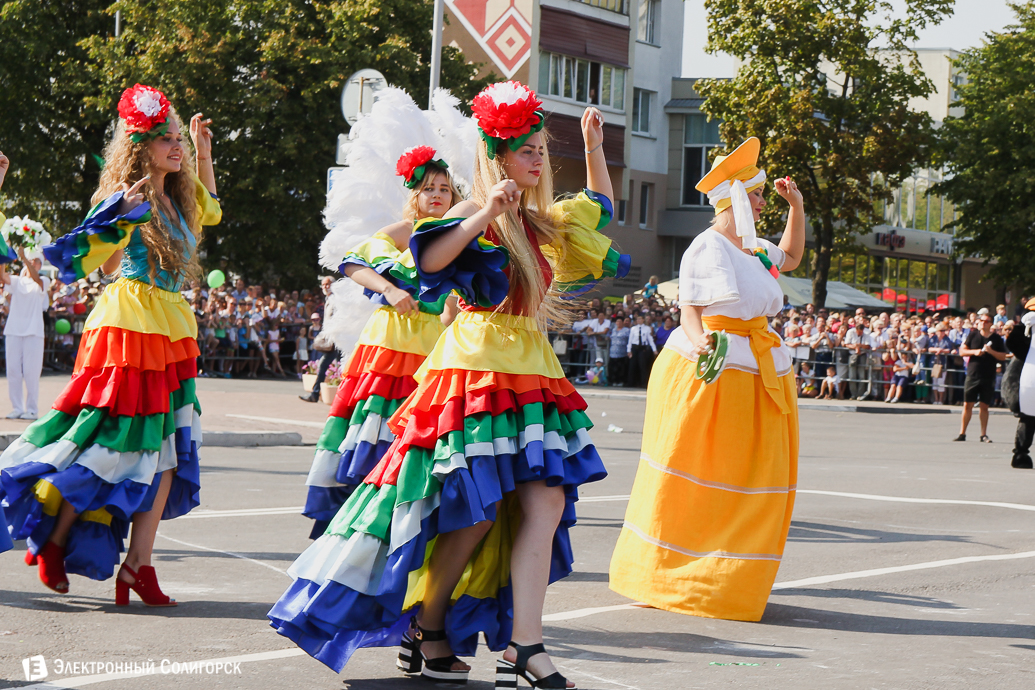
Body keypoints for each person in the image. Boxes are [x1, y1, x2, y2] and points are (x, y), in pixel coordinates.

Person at [269, 81, 628, 688]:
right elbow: (429, 258)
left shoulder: (544, 223)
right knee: (476, 510)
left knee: (547, 500)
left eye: (543, 149)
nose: (539, 159)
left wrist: (594, 146)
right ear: (499, 157)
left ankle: (525, 645)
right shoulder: (469, 214)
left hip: (532, 371)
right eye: (527, 150)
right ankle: (428, 625)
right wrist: (488, 210)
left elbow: (601, 206)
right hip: (474, 371)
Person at [0, 85, 220, 602]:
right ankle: (55, 538)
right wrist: (122, 212)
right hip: (128, 324)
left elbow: (212, 209)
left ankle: (138, 565)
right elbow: (94, 260)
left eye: (178, 141)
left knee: (168, 447)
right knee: (111, 439)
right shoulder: (124, 196)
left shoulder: (183, 199)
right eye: (165, 139)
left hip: (171, 328)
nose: (176, 147)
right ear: (140, 147)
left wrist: (205, 154)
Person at [609, 137, 805, 621]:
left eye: (763, 195)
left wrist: (796, 206)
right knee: (698, 475)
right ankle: (673, 574)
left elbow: (792, 257)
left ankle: (729, 577)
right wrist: (699, 345)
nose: (762, 203)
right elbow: (692, 311)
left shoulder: (756, 248)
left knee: (750, 477)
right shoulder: (708, 245)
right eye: (757, 195)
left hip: (757, 366)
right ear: (735, 197)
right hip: (713, 370)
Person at [302, 146, 461, 537]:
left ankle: (396, 520)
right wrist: (389, 289)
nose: (438, 194)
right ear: (416, 196)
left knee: (413, 433)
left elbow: (450, 305)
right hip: (389, 343)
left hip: (429, 346)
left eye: (445, 188)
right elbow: (353, 263)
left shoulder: (459, 239)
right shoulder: (404, 232)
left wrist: (451, 315)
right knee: (371, 428)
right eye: (429, 188)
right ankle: (352, 518)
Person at [0, 245, 52, 420]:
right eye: (31, 260)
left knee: (31, 372)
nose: (32, 263)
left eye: (36, 261)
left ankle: (32, 409)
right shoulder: (17, 282)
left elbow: (36, 278)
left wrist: (23, 257)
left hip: (34, 332)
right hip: (14, 331)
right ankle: (17, 408)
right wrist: (3, 256)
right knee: (13, 371)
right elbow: (3, 277)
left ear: (40, 264)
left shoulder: (44, 282)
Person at [955, 311, 1008, 442]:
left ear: (990, 324)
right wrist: (975, 352)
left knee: (984, 406)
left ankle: (983, 434)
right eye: (981, 321)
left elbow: (1003, 356)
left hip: (988, 375)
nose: (983, 323)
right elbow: (962, 351)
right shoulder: (973, 335)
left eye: (986, 321)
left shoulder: (996, 339)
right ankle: (962, 433)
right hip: (972, 374)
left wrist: (991, 351)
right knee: (968, 404)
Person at [1003, 297, 1035, 469]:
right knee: (1028, 418)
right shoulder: (1026, 330)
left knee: (1028, 419)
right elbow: (1013, 343)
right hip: (1027, 380)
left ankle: (1021, 452)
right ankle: (1021, 452)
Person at [300, 277, 339, 402]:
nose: (325, 287)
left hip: (337, 338)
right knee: (333, 366)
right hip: (331, 338)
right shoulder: (330, 298)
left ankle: (316, 394)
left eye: (328, 284)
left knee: (326, 365)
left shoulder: (337, 299)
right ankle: (316, 394)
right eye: (323, 285)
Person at [627, 314, 656, 388]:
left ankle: (643, 383)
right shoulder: (633, 328)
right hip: (634, 347)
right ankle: (631, 383)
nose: (638, 320)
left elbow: (650, 339)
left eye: (640, 319)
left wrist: (654, 349)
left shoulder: (647, 328)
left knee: (642, 366)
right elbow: (630, 339)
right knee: (632, 365)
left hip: (642, 348)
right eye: (637, 319)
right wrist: (629, 350)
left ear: (643, 320)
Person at [608, 316, 631, 386]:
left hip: (622, 353)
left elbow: (629, 340)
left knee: (621, 368)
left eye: (620, 322)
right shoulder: (613, 330)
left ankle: (621, 381)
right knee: (612, 368)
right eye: (617, 322)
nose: (618, 323)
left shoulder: (627, 330)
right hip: (612, 352)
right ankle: (613, 381)